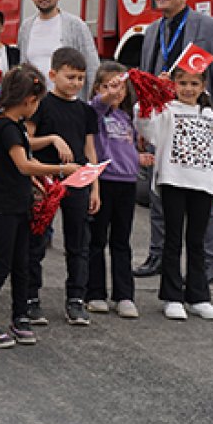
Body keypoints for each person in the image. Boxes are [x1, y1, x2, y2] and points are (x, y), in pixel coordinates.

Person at [133, 0, 213, 284]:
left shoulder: (208, 26)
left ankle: (209, 262)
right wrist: (142, 128)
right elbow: (147, 78)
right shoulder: (152, 30)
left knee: (203, 193)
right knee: (160, 191)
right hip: (165, 121)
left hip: (197, 122)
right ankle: (158, 254)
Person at [0, 65, 77, 349]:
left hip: (19, 204)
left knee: (22, 264)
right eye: (38, 101)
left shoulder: (11, 124)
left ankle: (20, 317)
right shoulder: (6, 126)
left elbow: (25, 144)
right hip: (3, 207)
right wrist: (61, 168)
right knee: (2, 265)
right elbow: (24, 164)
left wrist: (53, 140)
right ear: (28, 101)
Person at [136, 64, 213, 321]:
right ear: (174, 85)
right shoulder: (166, 112)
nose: (188, 89)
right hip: (173, 183)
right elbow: (146, 127)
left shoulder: (211, 117)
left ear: (203, 87)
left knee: (197, 242)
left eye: (194, 84)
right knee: (172, 240)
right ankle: (172, 296)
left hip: (202, 185)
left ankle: (198, 297)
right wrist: (154, 92)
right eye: (182, 83)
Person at [25, 47, 100, 327]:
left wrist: (95, 188)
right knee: (37, 241)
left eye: (81, 78)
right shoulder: (41, 105)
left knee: (78, 243)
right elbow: (26, 142)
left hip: (78, 180)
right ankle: (31, 297)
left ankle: (76, 300)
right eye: (70, 77)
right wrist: (52, 139)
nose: (76, 84)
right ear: (53, 75)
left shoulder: (86, 111)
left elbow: (90, 151)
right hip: (46, 180)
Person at [86, 62, 143, 318]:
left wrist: (139, 159)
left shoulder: (127, 116)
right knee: (97, 239)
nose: (117, 92)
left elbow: (126, 147)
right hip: (104, 182)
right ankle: (95, 292)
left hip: (126, 183)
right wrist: (105, 97)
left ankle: (124, 295)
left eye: (121, 86)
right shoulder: (96, 114)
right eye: (110, 86)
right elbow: (97, 105)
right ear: (98, 88)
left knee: (121, 241)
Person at [16, 0, 99, 96]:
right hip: (34, 101)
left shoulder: (75, 25)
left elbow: (92, 65)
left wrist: (93, 102)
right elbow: (22, 66)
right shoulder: (26, 27)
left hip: (67, 102)